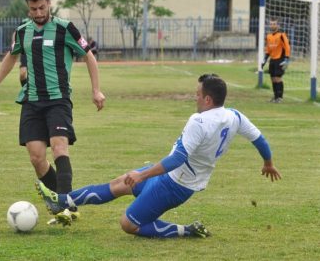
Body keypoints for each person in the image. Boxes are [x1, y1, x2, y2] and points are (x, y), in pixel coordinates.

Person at [36, 74, 281, 237]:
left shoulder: (200, 121)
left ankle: (186, 231)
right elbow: (259, 139)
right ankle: (63, 201)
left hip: (176, 184)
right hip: (171, 175)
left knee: (128, 224)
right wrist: (268, 162)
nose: (194, 97)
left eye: (197, 94)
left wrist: (143, 175)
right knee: (118, 184)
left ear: (207, 99)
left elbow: (178, 159)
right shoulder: (235, 116)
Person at [0, 0, 105, 218]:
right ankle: (60, 199)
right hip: (32, 101)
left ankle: (66, 208)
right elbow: (11, 56)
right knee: (37, 157)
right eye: (33, 9)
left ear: (49, 3)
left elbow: (88, 55)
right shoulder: (23, 31)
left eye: (41, 7)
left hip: (58, 99)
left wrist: (96, 90)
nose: (38, 13)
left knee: (60, 146)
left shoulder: (64, 28)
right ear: (28, 8)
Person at [261, 18, 291, 103]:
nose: (272, 25)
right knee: (273, 78)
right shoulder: (268, 36)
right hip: (273, 60)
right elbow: (268, 50)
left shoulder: (282, 35)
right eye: (271, 24)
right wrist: (264, 60)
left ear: (278, 25)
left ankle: (279, 98)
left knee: (278, 78)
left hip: (280, 59)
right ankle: (275, 97)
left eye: (274, 24)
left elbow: (287, 46)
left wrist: (287, 58)